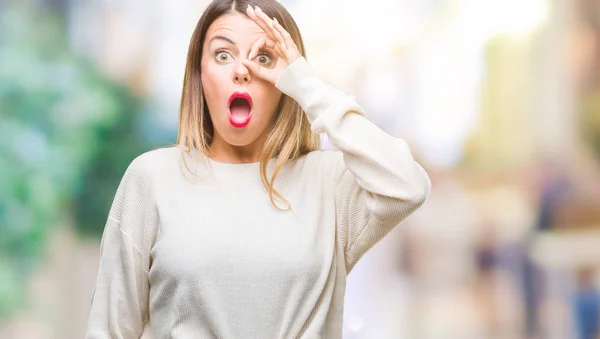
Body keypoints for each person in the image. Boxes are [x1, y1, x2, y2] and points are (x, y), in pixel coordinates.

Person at [84, 0, 431, 338]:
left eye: (264, 57)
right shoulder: (152, 178)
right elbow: (110, 329)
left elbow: (408, 186)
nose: (242, 70)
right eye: (223, 54)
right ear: (199, 74)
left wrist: (307, 86)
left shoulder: (330, 181)